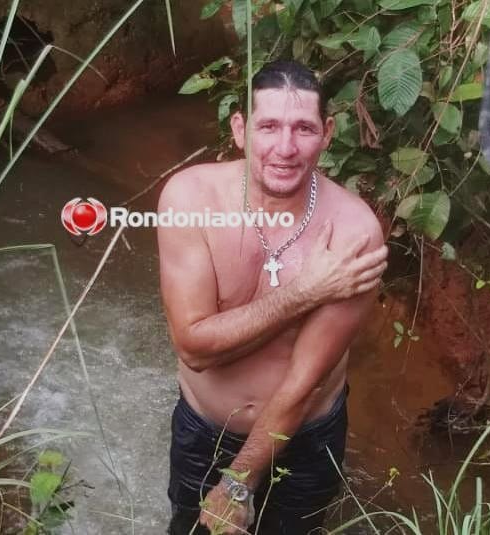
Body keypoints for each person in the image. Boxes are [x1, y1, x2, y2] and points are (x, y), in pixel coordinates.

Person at [157, 60, 387, 534]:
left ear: (327, 133)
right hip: (203, 433)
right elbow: (194, 348)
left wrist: (238, 482)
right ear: (240, 129)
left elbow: (305, 382)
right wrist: (306, 291)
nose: (285, 148)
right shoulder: (190, 199)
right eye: (269, 127)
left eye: (303, 128)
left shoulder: (354, 232)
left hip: (305, 438)